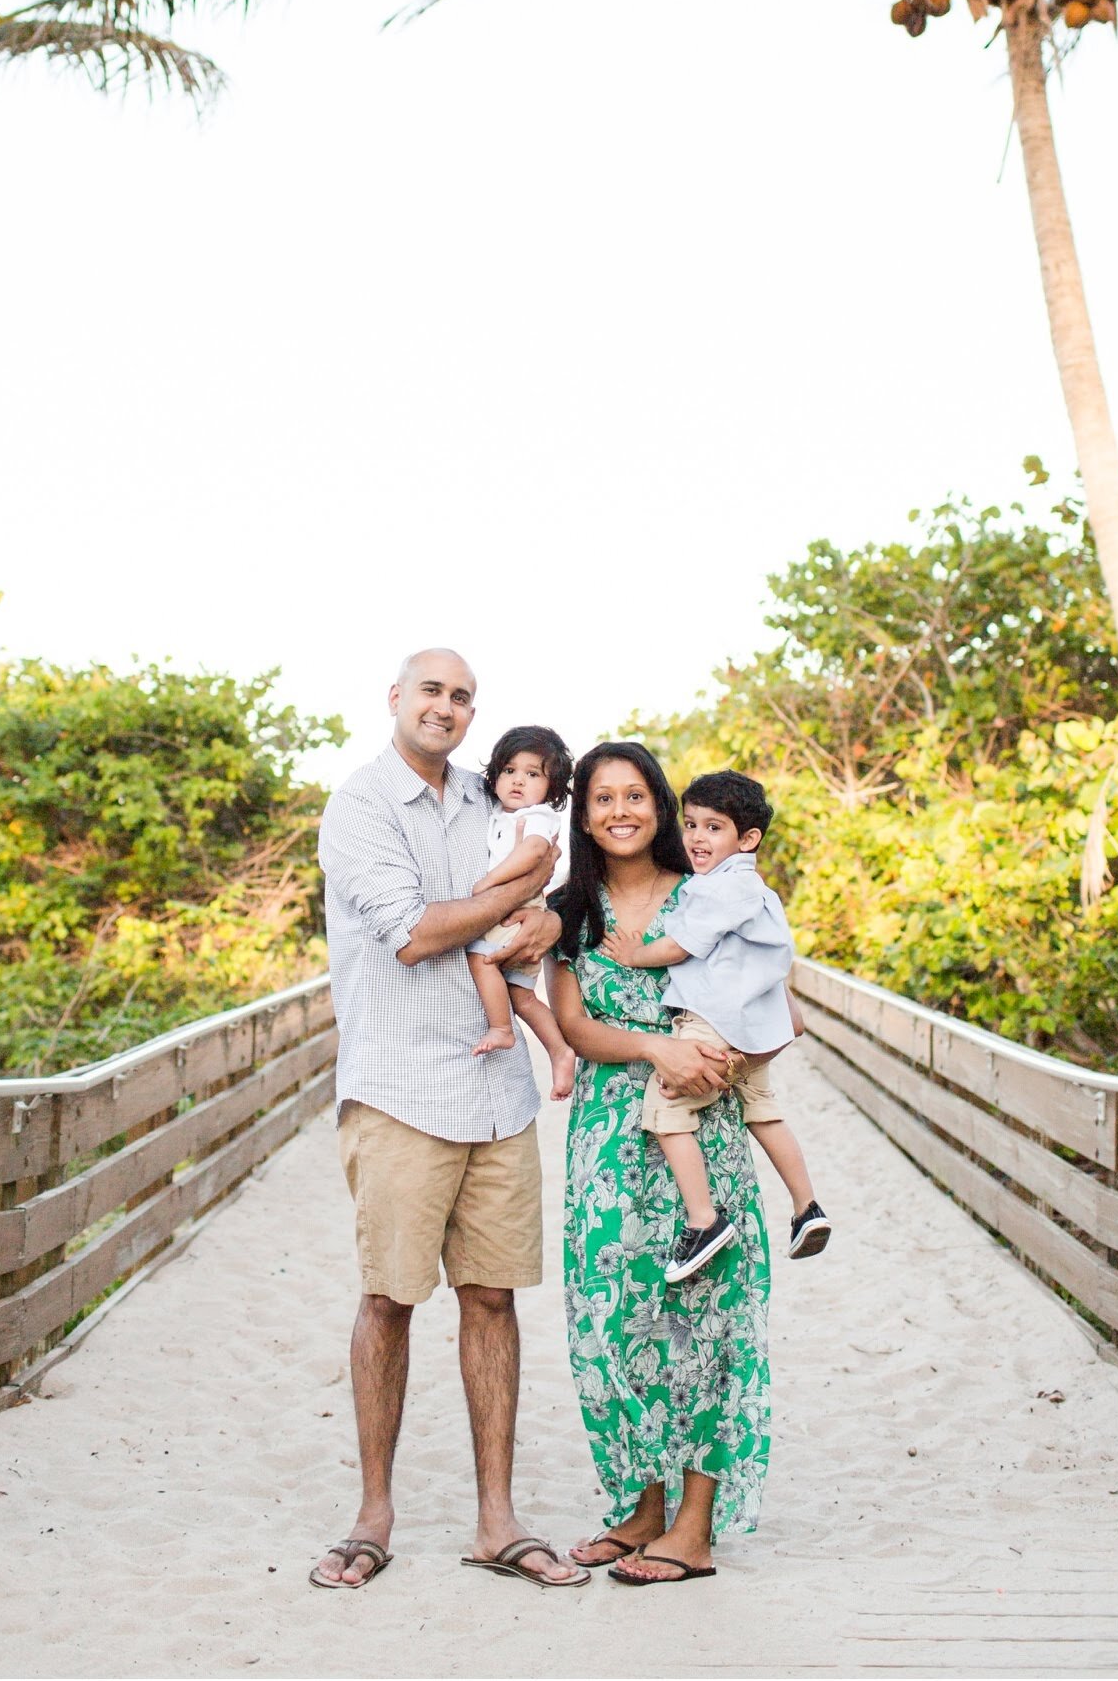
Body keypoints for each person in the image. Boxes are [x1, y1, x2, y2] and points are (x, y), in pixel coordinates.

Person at [309, 648, 589, 1595]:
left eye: (463, 696)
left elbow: (560, 881)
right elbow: (418, 931)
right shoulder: (360, 807)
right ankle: (373, 1515)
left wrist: (552, 920)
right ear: (395, 699)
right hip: (397, 1088)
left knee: (493, 1297)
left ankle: (495, 1519)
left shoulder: (493, 797)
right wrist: (522, 895)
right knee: (389, 1299)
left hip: (498, 1091)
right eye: (431, 690)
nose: (447, 707)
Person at [546, 742, 772, 1587]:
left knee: (705, 1321)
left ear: (663, 804)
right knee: (609, 1324)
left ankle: (694, 1526)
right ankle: (640, 1503)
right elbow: (572, 1022)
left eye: (635, 793)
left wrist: (714, 1058)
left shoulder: (710, 891)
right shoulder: (574, 907)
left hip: (701, 1130)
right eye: (602, 797)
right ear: (584, 812)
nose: (619, 810)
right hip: (607, 1138)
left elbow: (767, 990)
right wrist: (651, 1047)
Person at [621, 769, 830, 1280]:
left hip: (715, 1021)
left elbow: (682, 946)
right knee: (761, 1108)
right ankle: (807, 1207)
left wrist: (635, 953)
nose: (696, 837)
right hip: (755, 1024)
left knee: (665, 1105)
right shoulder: (755, 890)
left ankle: (704, 1220)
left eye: (713, 828)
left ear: (747, 839)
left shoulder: (722, 889)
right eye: (690, 824)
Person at [469, 725, 578, 1098]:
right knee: (523, 996)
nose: (518, 781)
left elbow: (533, 853)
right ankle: (560, 1051)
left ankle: (501, 1029)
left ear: (553, 787)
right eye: (509, 770)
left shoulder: (537, 815)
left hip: (518, 908)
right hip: (521, 906)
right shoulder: (499, 813)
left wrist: (488, 883)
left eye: (532, 774)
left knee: (481, 959)